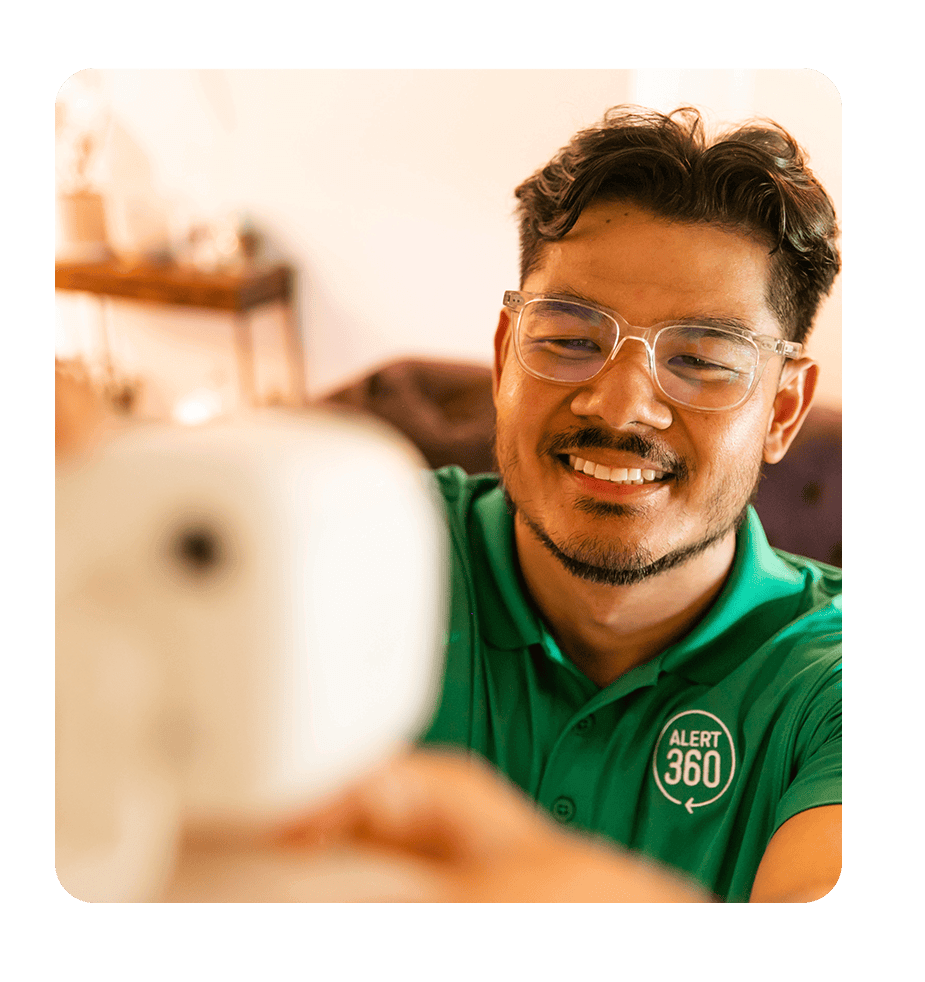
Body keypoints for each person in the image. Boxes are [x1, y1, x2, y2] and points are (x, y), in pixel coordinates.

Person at [287, 105, 841, 903]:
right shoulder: (357, 543)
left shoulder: (822, 687)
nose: (618, 407)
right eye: (571, 339)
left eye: (699, 360)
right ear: (503, 352)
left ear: (782, 410)